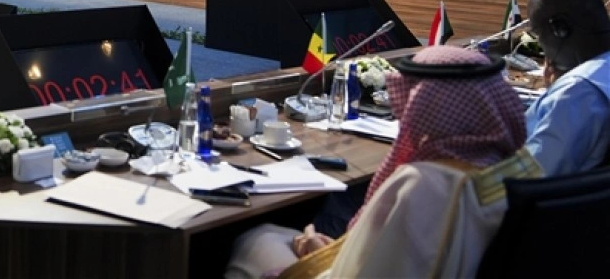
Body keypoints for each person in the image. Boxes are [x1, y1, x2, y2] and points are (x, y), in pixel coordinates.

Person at [226, 46, 539, 279]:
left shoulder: (424, 183)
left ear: (427, 106)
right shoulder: (520, 167)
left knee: (256, 239)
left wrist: (313, 248)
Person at [522, 0, 610, 176]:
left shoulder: (577, 91)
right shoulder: (590, 81)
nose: (542, 46)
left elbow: (529, 175)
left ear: (560, 29)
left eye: (539, 34)